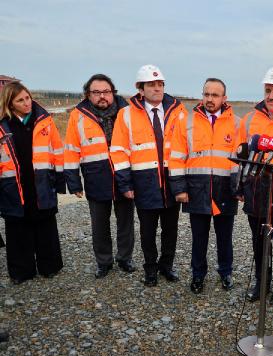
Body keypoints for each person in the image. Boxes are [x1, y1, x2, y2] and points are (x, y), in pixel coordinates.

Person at [110, 65, 186, 287]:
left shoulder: (178, 111)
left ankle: (166, 266)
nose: (157, 88)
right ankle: (150, 269)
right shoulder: (126, 114)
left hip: (172, 181)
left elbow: (184, 148)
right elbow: (118, 151)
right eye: (151, 85)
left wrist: (183, 183)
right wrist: (125, 184)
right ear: (140, 89)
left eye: (160, 84)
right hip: (144, 183)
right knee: (147, 231)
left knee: (171, 229)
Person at [169, 78, 239, 294]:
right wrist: (179, 188)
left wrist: (239, 189)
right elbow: (177, 157)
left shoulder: (236, 123)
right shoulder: (186, 121)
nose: (209, 99)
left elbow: (241, 160)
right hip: (196, 189)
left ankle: (225, 272)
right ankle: (198, 275)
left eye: (215, 95)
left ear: (224, 98)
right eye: (206, 94)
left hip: (225, 190)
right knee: (199, 238)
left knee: (225, 237)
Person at [64, 74, 135, 278]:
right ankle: (104, 262)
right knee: (99, 225)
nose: (102, 96)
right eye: (96, 92)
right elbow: (71, 149)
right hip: (96, 177)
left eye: (106, 91)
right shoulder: (77, 116)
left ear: (113, 92)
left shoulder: (128, 112)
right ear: (88, 94)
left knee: (126, 223)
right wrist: (74, 182)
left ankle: (125, 258)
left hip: (125, 177)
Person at [238, 66, 273, 305]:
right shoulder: (251, 118)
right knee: (259, 240)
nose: (271, 96)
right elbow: (240, 154)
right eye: (268, 90)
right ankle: (262, 282)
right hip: (256, 188)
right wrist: (240, 187)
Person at [0, 81, 65, 284]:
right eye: (20, 100)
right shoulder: (3, 126)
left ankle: (50, 266)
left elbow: (57, 149)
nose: (27, 103)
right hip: (12, 185)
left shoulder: (44, 119)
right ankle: (21, 271)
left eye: (27, 97)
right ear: (10, 104)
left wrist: (60, 179)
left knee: (45, 224)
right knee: (17, 227)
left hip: (42, 181)